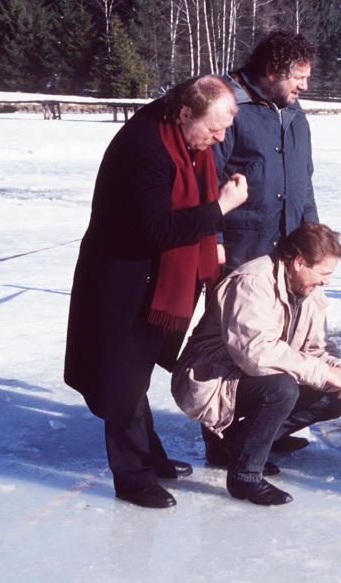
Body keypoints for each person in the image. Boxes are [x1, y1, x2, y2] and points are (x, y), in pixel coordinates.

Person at [64, 75, 248, 509]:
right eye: (214, 129)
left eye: (226, 127)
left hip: (153, 277)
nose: (220, 138)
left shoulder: (182, 137)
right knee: (121, 377)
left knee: (136, 371)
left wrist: (213, 237)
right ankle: (133, 476)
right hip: (121, 278)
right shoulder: (144, 148)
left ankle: (151, 456)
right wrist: (219, 209)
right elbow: (158, 229)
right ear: (185, 114)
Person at [172, 223, 341, 506]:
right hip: (208, 379)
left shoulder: (308, 290)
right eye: (324, 273)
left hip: (245, 377)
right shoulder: (252, 282)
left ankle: (234, 444)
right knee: (281, 388)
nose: (327, 282)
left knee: (335, 397)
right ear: (299, 263)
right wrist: (323, 373)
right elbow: (255, 355)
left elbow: (317, 349)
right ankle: (244, 476)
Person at [214, 30, 319, 275]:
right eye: (298, 77)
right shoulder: (227, 110)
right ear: (271, 72)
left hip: (291, 256)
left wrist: (315, 239)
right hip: (240, 257)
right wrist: (214, 243)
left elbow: (305, 186)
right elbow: (205, 185)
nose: (305, 86)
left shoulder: (296, 115)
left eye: (307, 77)